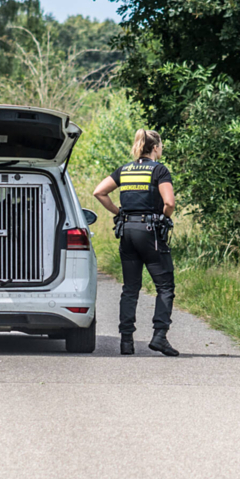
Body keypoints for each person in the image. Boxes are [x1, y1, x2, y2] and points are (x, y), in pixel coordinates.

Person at [93, 129, 178, 356]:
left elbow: (99, 192)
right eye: (161, 147)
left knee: (130, 288)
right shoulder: (159, 170)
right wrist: (163, 216)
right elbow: (169, 203)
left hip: (127, 231)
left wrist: (119, 212)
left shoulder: (126, 170)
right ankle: (160, 336)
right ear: (156, 148)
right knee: (165, 286)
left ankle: (126, 341)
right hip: (150, 232)